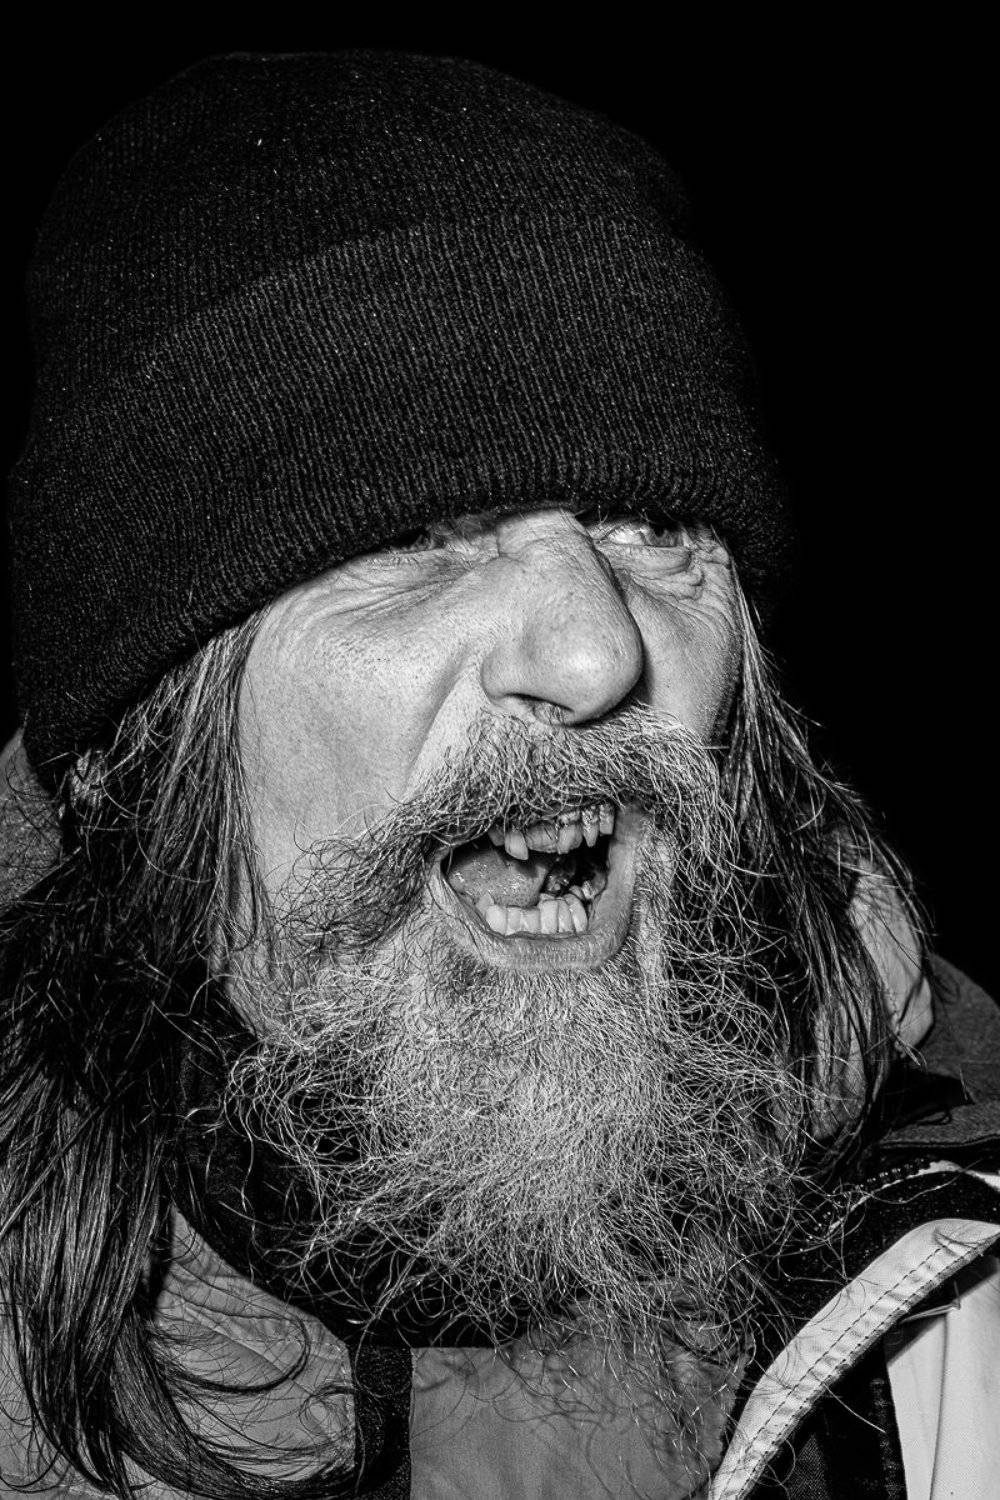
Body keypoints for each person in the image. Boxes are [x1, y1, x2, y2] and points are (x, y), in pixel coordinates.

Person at [1, 51, 997, 1500]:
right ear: (141, 742)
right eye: (419, 539)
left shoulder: (958, 1254)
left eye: (650, 524)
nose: (599, 651)